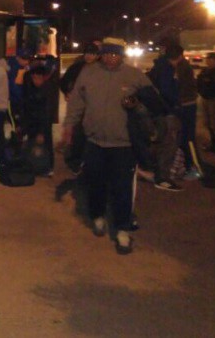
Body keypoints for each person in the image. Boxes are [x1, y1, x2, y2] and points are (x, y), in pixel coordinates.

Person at [62, 38, 154, 254]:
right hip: (95, 141)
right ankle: (98, 215)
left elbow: (153, 103)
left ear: (122, 56)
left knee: (122, 188)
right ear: (102, 54)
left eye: (116, 55)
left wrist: (139, 107)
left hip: (124, 145)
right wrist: (69, 126)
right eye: (108, 54)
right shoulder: (88, 73)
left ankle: (123, 229)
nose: (112, 58)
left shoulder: (133, 75)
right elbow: (76, 102)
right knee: (95, 182)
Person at [146, 45, 185, 192]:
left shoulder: (158, 66)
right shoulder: (167, 69)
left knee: (160, 142)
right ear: (180, 56)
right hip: (167, 112)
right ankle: (162, 178)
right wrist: (175, 106)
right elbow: (167, 91)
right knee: (169, 144)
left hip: (157, 112)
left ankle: (155, 171)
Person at [59, 42, 100, 174]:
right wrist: (68, 92)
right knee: (78, 133)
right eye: (87, 53)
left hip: (94, 106)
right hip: (79, 106)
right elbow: (64, 81)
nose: (89, 57)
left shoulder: (101, 69)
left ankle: (88, 161)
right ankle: (75, 161)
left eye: (93, 54)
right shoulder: (77, 67)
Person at [171, 45, 205, 180]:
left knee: (188, 138)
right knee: (184, 137)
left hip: (187, 105)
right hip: (185, 104)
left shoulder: (183, 67)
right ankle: (188, 165)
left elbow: (182, 87)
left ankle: (195, 168)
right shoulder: (181, 66)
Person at [22, 60, 59, 176]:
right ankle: (33, 166)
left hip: (44, 124)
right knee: (32, 145)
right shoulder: (30, 89)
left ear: (43, 77)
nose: (36, 80)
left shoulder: (47, 90)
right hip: (32, 123)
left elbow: (47, 112)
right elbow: (26, 107)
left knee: (46, 145)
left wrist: (42, 131)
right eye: (34, 78)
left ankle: (48, 167)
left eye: (38, 78)